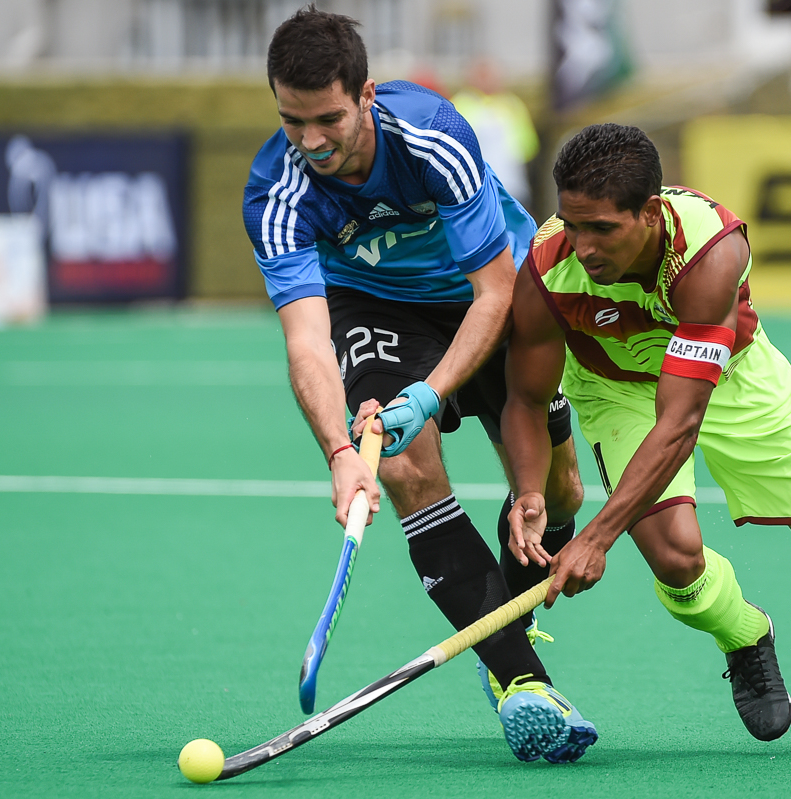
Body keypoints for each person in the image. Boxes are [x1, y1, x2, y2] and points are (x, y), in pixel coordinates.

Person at [240, 4, 596, 764]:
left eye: (327, 119)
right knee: (400, 464)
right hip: (373, 305)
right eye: (291, 121)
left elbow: (495, 293)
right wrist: (340, 448)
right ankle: (521, 679)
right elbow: (307, 339)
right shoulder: (276, 191)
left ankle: (496, 614)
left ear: (366, 96)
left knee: (561, 492)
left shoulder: (432, 134)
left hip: (482, 292)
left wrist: (431, 393)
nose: (309, 142)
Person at [501, 123, 791, 754]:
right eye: (572, 224)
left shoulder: (709, 255)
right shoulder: (549, 270)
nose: (583, 246)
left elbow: (679, 421)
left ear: (650, 213)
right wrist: (528, 493)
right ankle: (743, 635)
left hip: (733, 380)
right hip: (614, 387)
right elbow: (526, 398)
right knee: (676, 561)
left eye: (602, 228)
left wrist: (596, 538)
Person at [451, 59, 540, 211]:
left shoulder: (512, 104)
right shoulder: (458, 105)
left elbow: (529, 146)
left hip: (512, 186)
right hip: (474, 190)